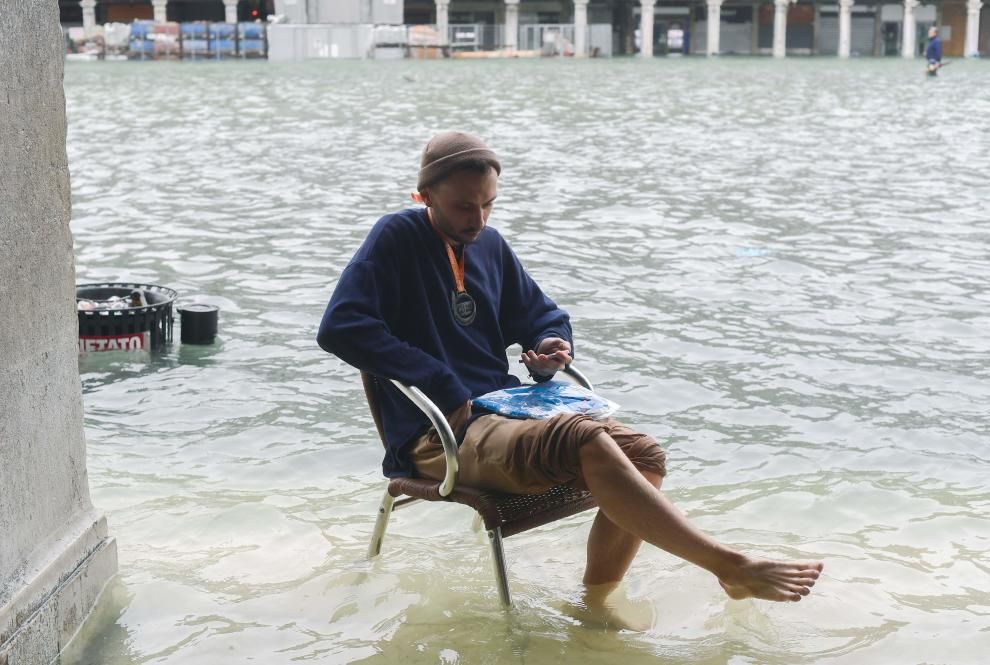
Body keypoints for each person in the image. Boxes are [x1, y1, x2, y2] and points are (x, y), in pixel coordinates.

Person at [317, 131, 823, 618]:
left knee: (643, 455)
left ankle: (595, 605)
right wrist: (441, 381)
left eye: (489, 204)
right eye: (463, 207)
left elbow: (541, 314)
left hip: (503, 412)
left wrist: (547, 346)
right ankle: (730, 567)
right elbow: (341, 327)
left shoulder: (490, 245)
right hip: (439, 435)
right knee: (586, 441)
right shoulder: (396, 237)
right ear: (423, 195)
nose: (478, 218)